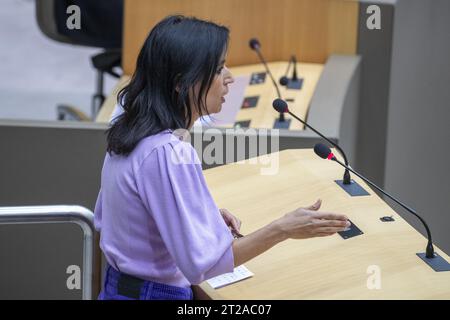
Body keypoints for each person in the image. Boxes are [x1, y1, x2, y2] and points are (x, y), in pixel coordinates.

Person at [94, 15, 350, 300]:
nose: (230, 77)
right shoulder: (168, 152)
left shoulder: (129, 130)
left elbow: (116, 217)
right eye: (217, 69)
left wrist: (195, 217)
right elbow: (203, 268)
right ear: (181, 83)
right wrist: (283, 229)